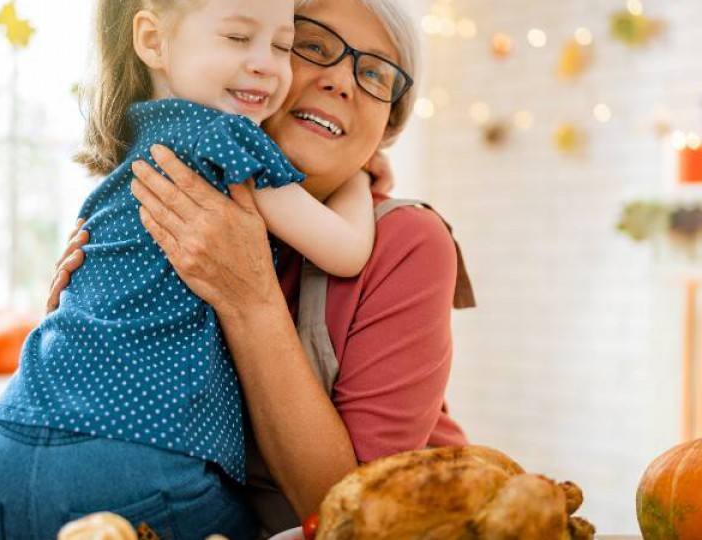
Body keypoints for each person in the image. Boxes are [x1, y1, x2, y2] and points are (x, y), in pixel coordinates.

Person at [0, 0, 384, 538]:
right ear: (153, 41)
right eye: (237, 38)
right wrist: (357, 180)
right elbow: (346, 250)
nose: (267, 65)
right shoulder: (227, 140)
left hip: (2, 453)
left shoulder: (134, 141)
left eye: (281, 45)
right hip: (135, 467)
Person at [47, 0, 475, 535]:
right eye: (313, 47)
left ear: (388, 126)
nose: (343, 82)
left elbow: (357, 517)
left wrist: (248, 296)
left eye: (374, 75)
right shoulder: (168, 198)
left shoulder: (409, 241)